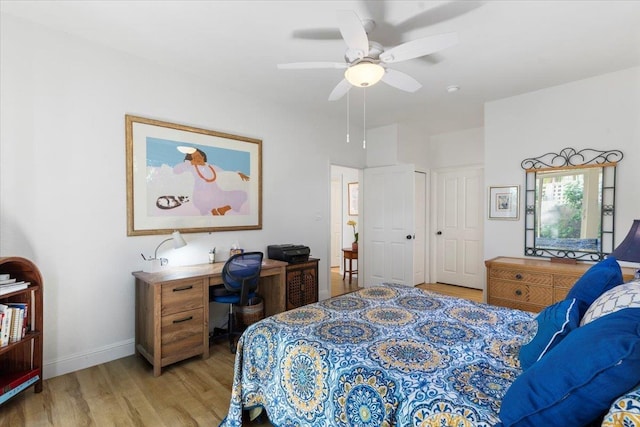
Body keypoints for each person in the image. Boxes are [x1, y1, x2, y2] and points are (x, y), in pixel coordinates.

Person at [173, 148, 248, 216]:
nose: (197, 158)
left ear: (203, 157)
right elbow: (176, 170)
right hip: (201, 198)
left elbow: (225, 173)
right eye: (194, 157)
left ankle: (222, 209)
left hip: (218, 195)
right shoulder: (192, 168)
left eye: (198, 156)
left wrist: (238, 173)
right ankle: (212, 209)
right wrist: (189, 163)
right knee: (206, 204)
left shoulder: (212, 167)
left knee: (242, 194)